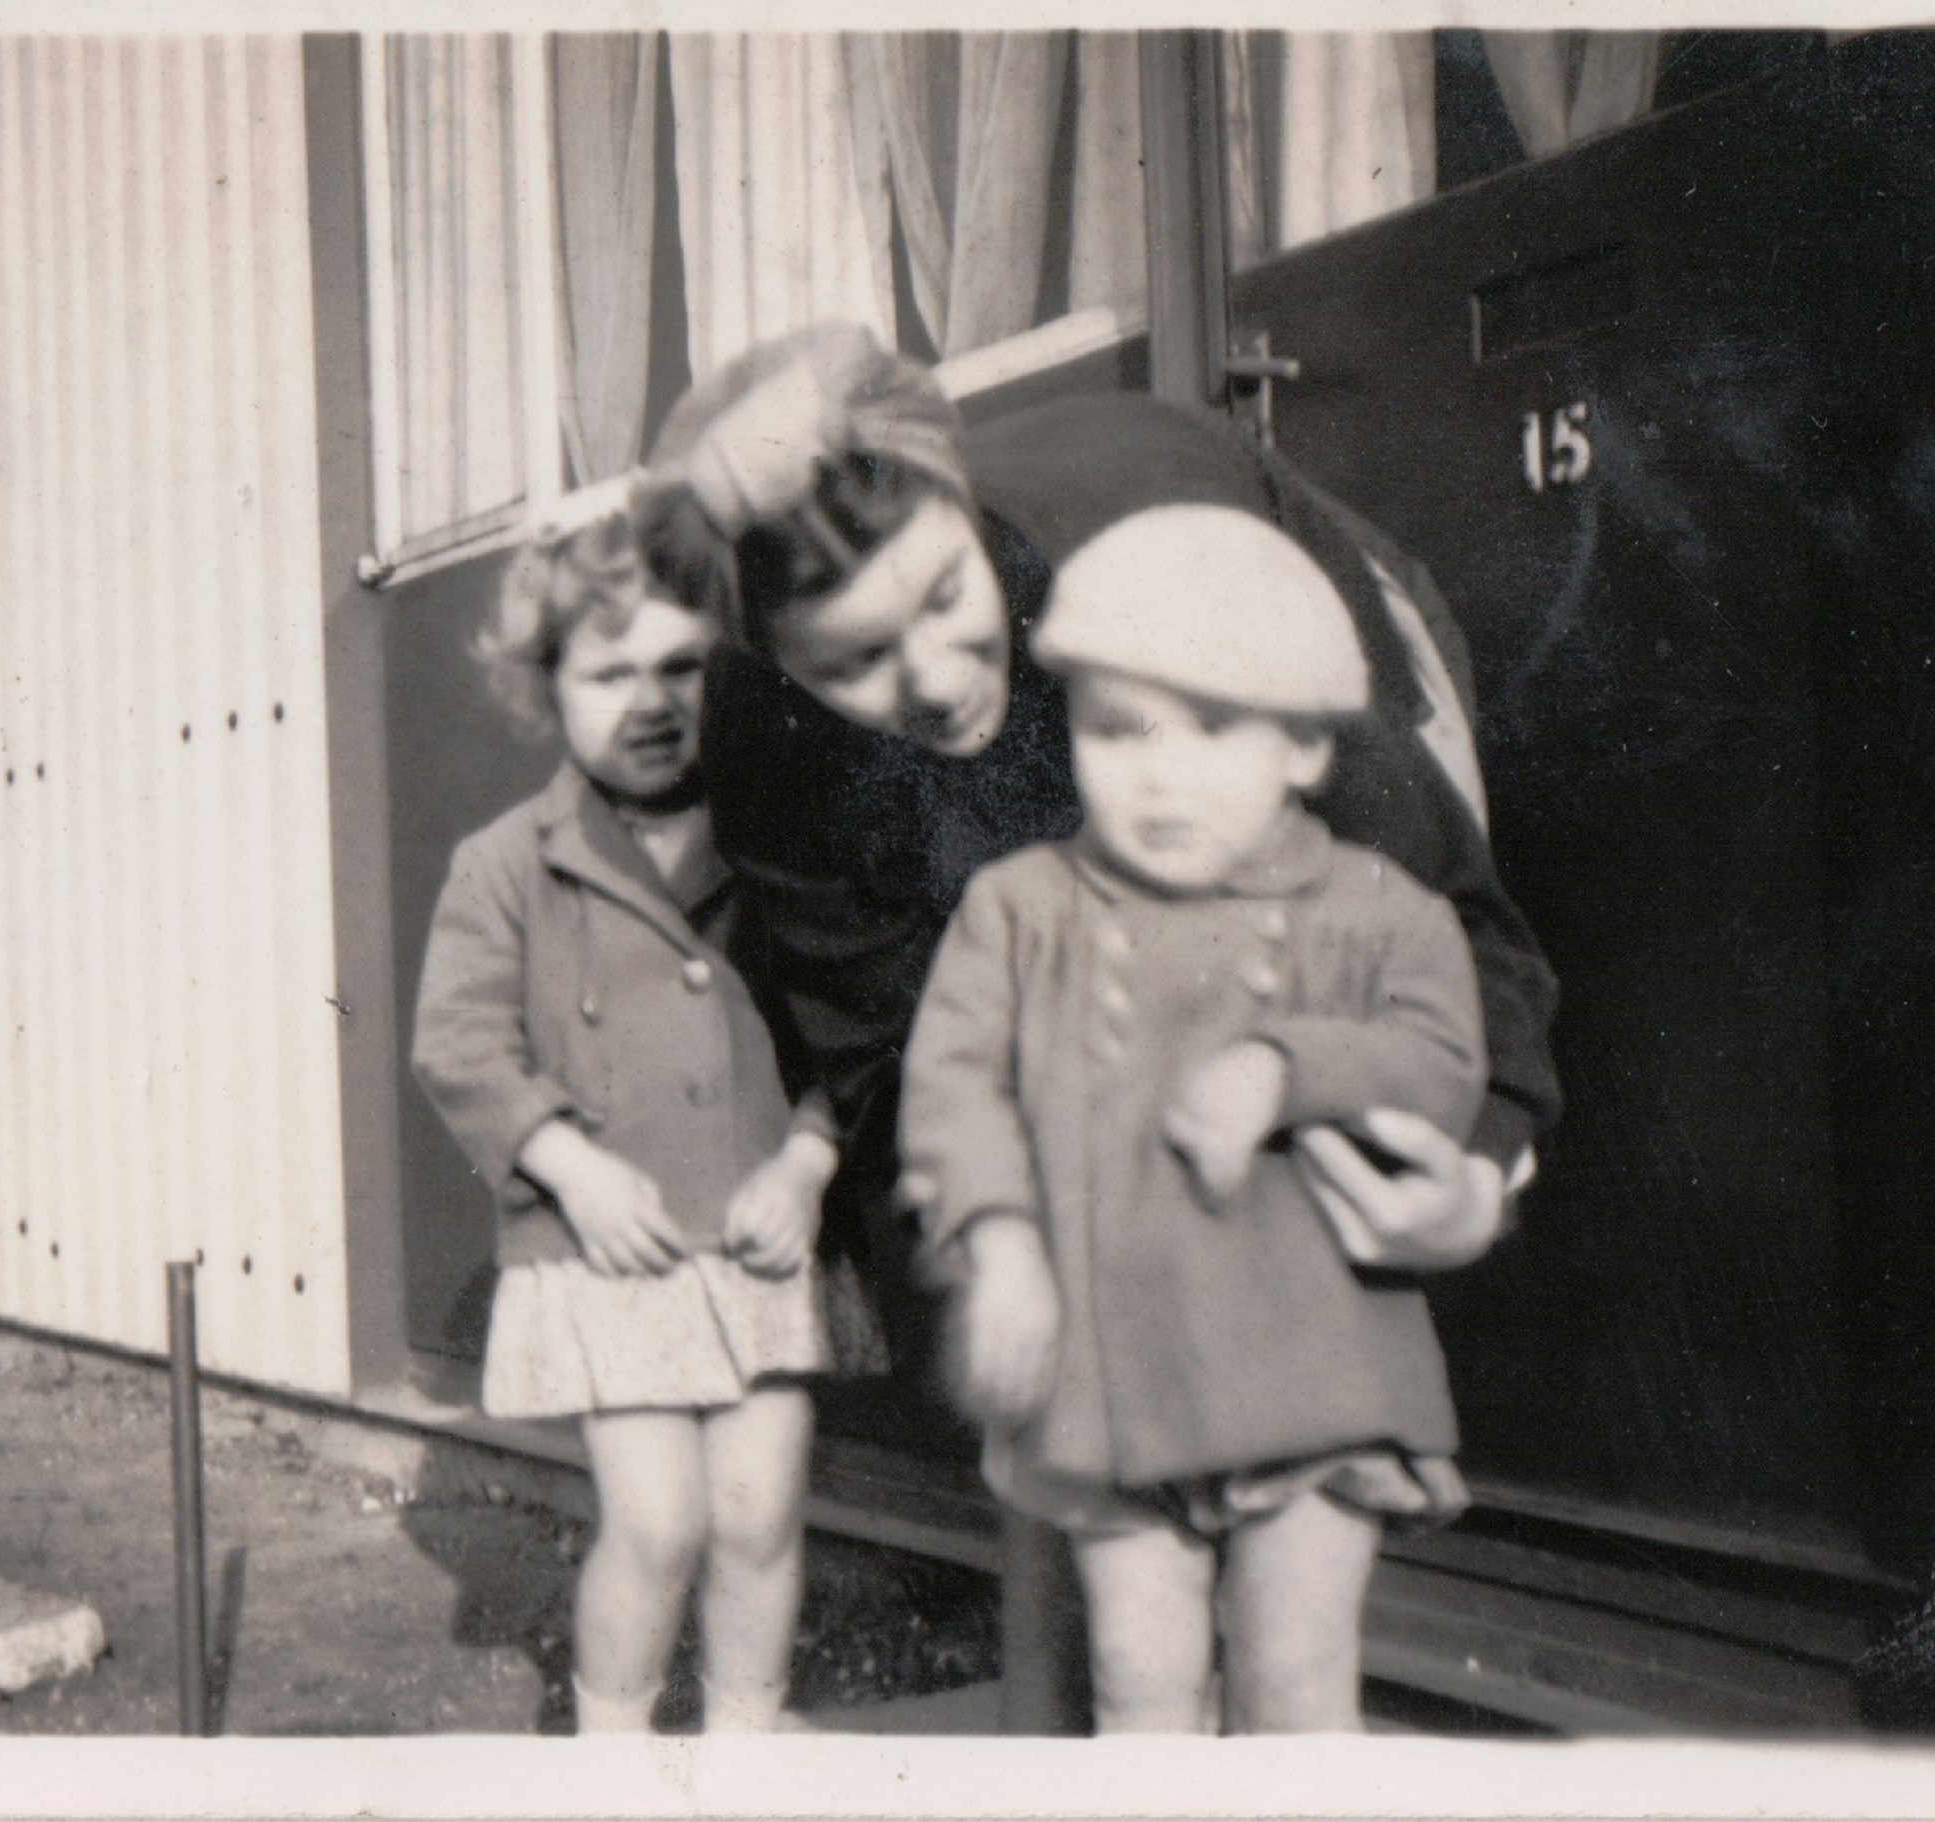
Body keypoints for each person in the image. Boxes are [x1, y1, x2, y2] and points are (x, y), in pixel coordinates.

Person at [629, 321, 1561, 1729]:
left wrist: (1480, 1164)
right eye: (855, 661)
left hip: (1264, 595)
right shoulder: (767, 752)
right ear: (778, 664)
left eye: (943, 595)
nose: (935, 679)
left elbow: (1447, 922)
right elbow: (896, 1063)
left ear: (958, 498)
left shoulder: (1177, 571)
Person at [899, 503, 1489, 1732]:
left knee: (1293, 1672)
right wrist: (998, 1240)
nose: (1159, 771)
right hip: (1111, 1387)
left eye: (1213, 726)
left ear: (1306, 751)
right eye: (1119, 729)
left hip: (1317, 1378)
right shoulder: (1022, 909)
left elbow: (1442, 1062)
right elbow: (953, 1085)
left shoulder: (1379, 911)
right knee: (1141, 1676)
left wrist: (1288, 1067)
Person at [408, 508, 860, 1735]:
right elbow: (458, 1044)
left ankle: (743, 1749)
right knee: (660, 1520)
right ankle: (612, 1761)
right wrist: (572, 1169)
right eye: (611, 671)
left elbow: (853, 1031)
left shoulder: (782, 845)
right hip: (614, 1241)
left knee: (763, 1508)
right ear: (545, 688)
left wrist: (811, 1166)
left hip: (757, 1230)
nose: (652, 700)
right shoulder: (509, 862)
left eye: (684, 667)